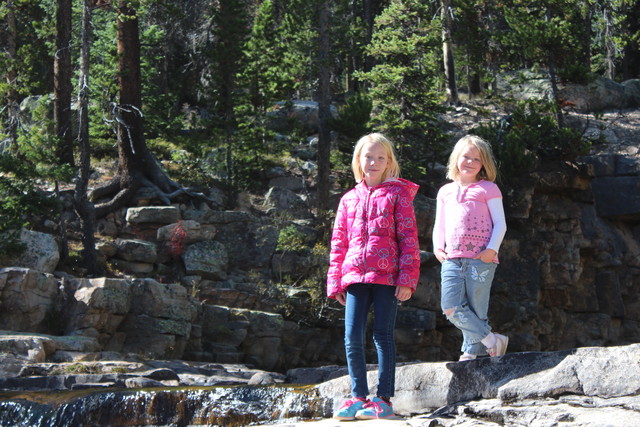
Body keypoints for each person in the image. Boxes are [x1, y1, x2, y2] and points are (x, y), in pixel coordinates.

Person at [326, 133, 420, 420]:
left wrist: (407, 279)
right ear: (359, 160)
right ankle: (357, 397)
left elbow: (409, 239)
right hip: (354, 277)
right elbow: (339, 243)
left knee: (382, 335)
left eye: (381, 157)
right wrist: (335, 281)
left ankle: (383, 399)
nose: (374, 162)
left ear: (389, 161)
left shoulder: (398, 195)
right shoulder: (348, 199)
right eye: (368, 156)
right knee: (352, 336)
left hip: (387, 278)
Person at [432, 134, 508, 362]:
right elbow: (440, 224)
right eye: (466, 156)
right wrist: (438, 247)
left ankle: (471, 352)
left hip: (481, 258)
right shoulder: (445, 191)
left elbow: (500, 223)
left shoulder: (488, 189)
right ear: (456, 158)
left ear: (483, 163)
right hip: (452, 258)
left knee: (478, 310)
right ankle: (492, 340)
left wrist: (491, 250)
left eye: (477, 159)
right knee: (451, 307)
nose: (470, 162)